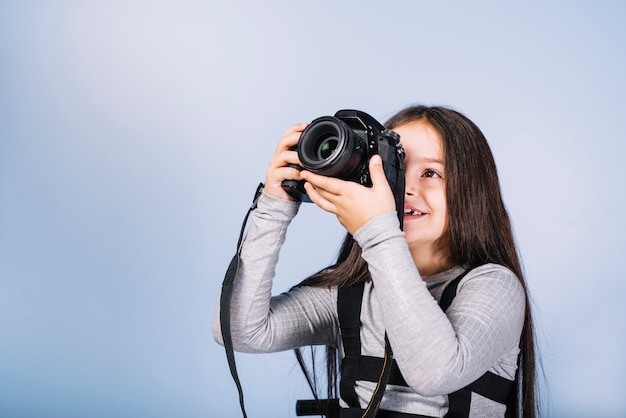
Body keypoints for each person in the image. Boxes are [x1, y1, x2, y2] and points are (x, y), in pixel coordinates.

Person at [213, 105, 538, 418]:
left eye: (430, 172)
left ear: (471, 190)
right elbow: (239, 331)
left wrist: (376, 230)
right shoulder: (353, 293)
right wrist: (274, 206)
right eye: (391, 166)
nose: (405, 188)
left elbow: (433, 372)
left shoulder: (496, 287)